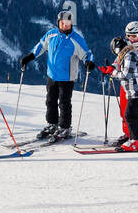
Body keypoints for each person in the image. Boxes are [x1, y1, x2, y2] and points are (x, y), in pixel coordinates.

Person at [20, 9, 96, 140]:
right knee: (50, 101)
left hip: (67, 77)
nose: (65, 26)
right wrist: (30, 56)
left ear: (71, 23)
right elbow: (41, 46)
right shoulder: (51, 35)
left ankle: (65, 127)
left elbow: (86, 53)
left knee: (64, 103)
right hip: (52, 75)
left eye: (68, 23)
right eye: (62, 23)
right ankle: (52, 124)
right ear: (58, 23)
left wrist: (89, 62)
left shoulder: (76, 39)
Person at [99, 37, 138, 151]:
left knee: (130, 115)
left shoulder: (130, 56)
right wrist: (110, 69)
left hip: (137, 91)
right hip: (136, 91)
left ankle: (137, 141)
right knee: (130, 115)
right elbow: (120, 67)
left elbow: (125, 75)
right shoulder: (128, 55)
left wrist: (112, 72)